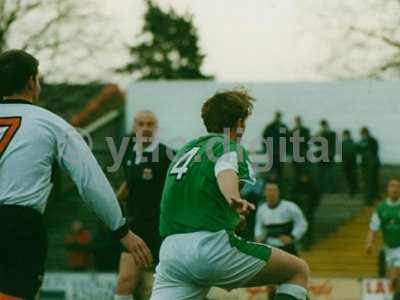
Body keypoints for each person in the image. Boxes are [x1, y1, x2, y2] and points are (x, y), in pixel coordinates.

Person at [0, 50, 152, 300]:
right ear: (30, 82)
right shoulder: (51, 123)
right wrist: (121, 229)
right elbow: (90, 181)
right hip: (18, 225)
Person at [150, 90, 310, 300]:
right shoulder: (228, 146)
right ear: (240, 122)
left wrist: (231, 213)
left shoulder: (184, 151)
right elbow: (225, 170)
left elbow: (197, 195)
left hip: (171, 253)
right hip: (209, 248)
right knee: (297, 271)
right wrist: (233, 197)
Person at [114, 111, 174, 300]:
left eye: (150, 124)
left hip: (161, 229)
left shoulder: (167, 155)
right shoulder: (129, 153)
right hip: (135, 229)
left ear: (156, 128)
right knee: (125, 280)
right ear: (134, 127)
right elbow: (129, 183)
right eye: (141, 124)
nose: (145, 128)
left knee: (161, 286)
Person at [366, 179, 400, 300]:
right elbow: (373, 228)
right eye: (392, 186)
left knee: (396, 273)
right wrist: (369, 244)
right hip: (388, 247)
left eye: (397, 187)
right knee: (393, 280)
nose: (394, 189)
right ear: (388, 189)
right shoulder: (381, 208)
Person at [255, 182, 308, 256]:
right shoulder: (262, 209)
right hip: (269, 247)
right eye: (269, 190)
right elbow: (258, 225)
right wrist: (259, 236)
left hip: (287, 247)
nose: (271, 193)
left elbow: (302, 223)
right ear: (264, 193)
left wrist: (292, 237)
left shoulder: (290, 206)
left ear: (278, 192)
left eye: (274, 190)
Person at [262, 111, 289, 184]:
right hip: (272, 152)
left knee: (280, 170)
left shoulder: (283, 127)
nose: (278, 118)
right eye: (277, 116)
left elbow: (288, 140)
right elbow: (264, 138)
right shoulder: (270, 127)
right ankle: (272, 185)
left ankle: (279, 186)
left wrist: (287, 151)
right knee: (272, 170)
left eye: (278, 116)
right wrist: (265, 149)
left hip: (280, 152)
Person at [359, 127, 380, 205]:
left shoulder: (372, 141)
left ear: (366, 133)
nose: (362, 136)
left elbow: (373, 151)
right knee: (371, 181)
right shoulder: (363, 141)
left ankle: (369, 200)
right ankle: (374, 196)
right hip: (367, 164)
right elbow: (359, 150)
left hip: (371, 165)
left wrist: (363, 149)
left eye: (363, 134)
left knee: (370, 182)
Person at [314, 120, 337, 194]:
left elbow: (331, 143)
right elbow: (316, 144)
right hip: (322, 157)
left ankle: (330, 189)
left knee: (329, 174)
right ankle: (322, 189)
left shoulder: (332, 134)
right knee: (321, 174)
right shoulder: (321, 134)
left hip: (329, 156)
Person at [341, 130, 359, 195]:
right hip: (346, 163)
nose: (344, 136)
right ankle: (351, 190)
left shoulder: (352, 143)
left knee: (352, 178)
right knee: (348, 178)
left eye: (345, 135)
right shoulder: (343, 143)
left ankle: (353, 190)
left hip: (351, 163)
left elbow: (355, 153)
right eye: (344, 135)